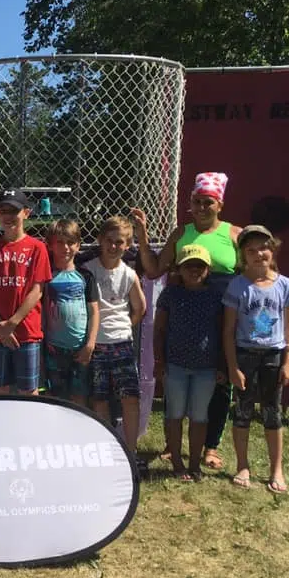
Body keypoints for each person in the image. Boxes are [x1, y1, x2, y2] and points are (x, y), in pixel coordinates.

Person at [131, 172, 242, 471]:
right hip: (183, 318)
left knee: (219, 383)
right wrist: (142, 238)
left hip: (222, 321)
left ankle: (211, 447)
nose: (202, 207)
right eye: (196, 202)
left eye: (208, 202)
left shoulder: (235, 235)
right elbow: (154, 270)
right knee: (176, 379)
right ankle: (172, 445)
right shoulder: (181, 234)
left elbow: (254, 274)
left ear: (220, 204)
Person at [223, 225, 289, 494]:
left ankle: (276, 469)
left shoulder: (285, 285)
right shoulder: (238, 286)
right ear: (243, 255)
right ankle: (243, 465)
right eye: (251, 250)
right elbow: (228, 330)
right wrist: (233, 367)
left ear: (273, 249)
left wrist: (287, 361)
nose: (258, 254)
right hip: (245, 355)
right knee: (243, 411)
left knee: (272, 412)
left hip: (273, 355)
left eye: (263, 248)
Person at [153, 244, 225, 481]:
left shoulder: (216, 296)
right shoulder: (171, 294)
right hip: (176, 365)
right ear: (179, 269)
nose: (194, 270)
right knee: (174, 413)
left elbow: (223, 330)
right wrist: (159, 361)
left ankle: (194, 463)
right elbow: (160, 330)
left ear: (208, 269)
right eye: (188, 266)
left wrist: (222, 365)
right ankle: (176, 461)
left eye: (199, 266)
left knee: (199, 416)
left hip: (206, 368)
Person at [0, 189, 51, 396]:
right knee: (0, 390)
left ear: (26, 212)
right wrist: (0, 325)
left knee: (29, 391)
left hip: (26, 331)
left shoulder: (37, 248)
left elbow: (37, 291)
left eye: (14, 211)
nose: (8, 217)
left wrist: (12, 323)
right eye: (3, 211)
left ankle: (29, 428)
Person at [84, 216, 147, 468]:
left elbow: (140, 307)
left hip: (121, 343)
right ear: (100, 240)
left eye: (119, 242)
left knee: (129, 398)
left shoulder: (129, 274)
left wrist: (124, 327)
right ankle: (106, 450)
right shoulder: (88, 270)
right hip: (96, 344)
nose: (113, 246)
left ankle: (130, 451)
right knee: (100, 398)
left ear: (128, 244)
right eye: (109, 241)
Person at [44, 219, 99, 406]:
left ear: (78, 245)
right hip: (53, 347)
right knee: (55, 396)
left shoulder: (86, 276)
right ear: (50, 245)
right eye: (59, 242)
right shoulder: (46, 275)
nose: (65, 247)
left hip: (80, 348)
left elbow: (94, 312)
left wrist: (90, 344)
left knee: (79, 395)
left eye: (70, 242)